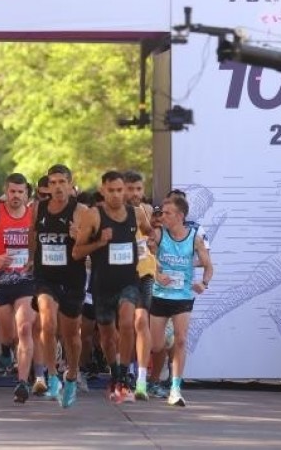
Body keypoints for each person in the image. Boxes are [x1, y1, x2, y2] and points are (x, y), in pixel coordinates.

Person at [73, 170, 150, 403]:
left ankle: (124, 376)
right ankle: (115, 372)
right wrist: (100, 242)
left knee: (127, 323)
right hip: (102, 283)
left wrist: (151, 241)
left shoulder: (136, 214)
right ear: (103, 190)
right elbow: (77, 252)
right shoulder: (93, 216)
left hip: (128, 280)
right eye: (112, 190)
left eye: (120, 190)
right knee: (107, 336)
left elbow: (150, 233)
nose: (117, 195)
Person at [31, 164, 88, 408]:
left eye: (61, 182)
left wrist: (79, 236)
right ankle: (52, 375)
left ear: (70, 183)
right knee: (46, 321)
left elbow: (90, 243)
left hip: (72, 278)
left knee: (71, 336)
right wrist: (31, 261)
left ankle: (72, 374)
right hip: (45, 276)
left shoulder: (81, 210)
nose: (57, 187)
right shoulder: (38, 208)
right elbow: (34, 236)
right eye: (52, 183)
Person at [149, 195, 213, 407]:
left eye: (167, 213)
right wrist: (157, 274)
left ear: (180, 216)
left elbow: (208, 265)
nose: (162, 217)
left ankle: (175, 388)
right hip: (160, 296)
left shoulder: (195, 238)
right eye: (162, 213)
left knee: (181, 340)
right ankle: (154, 376)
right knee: (157, 345)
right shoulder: (159, 234)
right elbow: (147, 258)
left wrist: (203, 283)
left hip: (183, 296)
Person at [0, 172, 38, 404]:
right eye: (12, 192)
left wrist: (35, 259)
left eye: (20, 192)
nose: (16, 196)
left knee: (24, 328)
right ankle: (4, 347)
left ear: (27, 194)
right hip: (1, 281)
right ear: (6, 192)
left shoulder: (34, 216)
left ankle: (22, 382)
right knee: (7, 334)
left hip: (26, 280)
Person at [123, 170, 156, 400]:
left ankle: (141, 379)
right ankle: (124, 372)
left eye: (138, 189)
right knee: (123, 327)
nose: (134, 193)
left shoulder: (147, 211)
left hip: (145, 273)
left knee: (141, 321)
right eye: (130, 189)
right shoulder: (107, 213)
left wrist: (153, 240)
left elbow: (153, 237)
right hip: (119, 276)